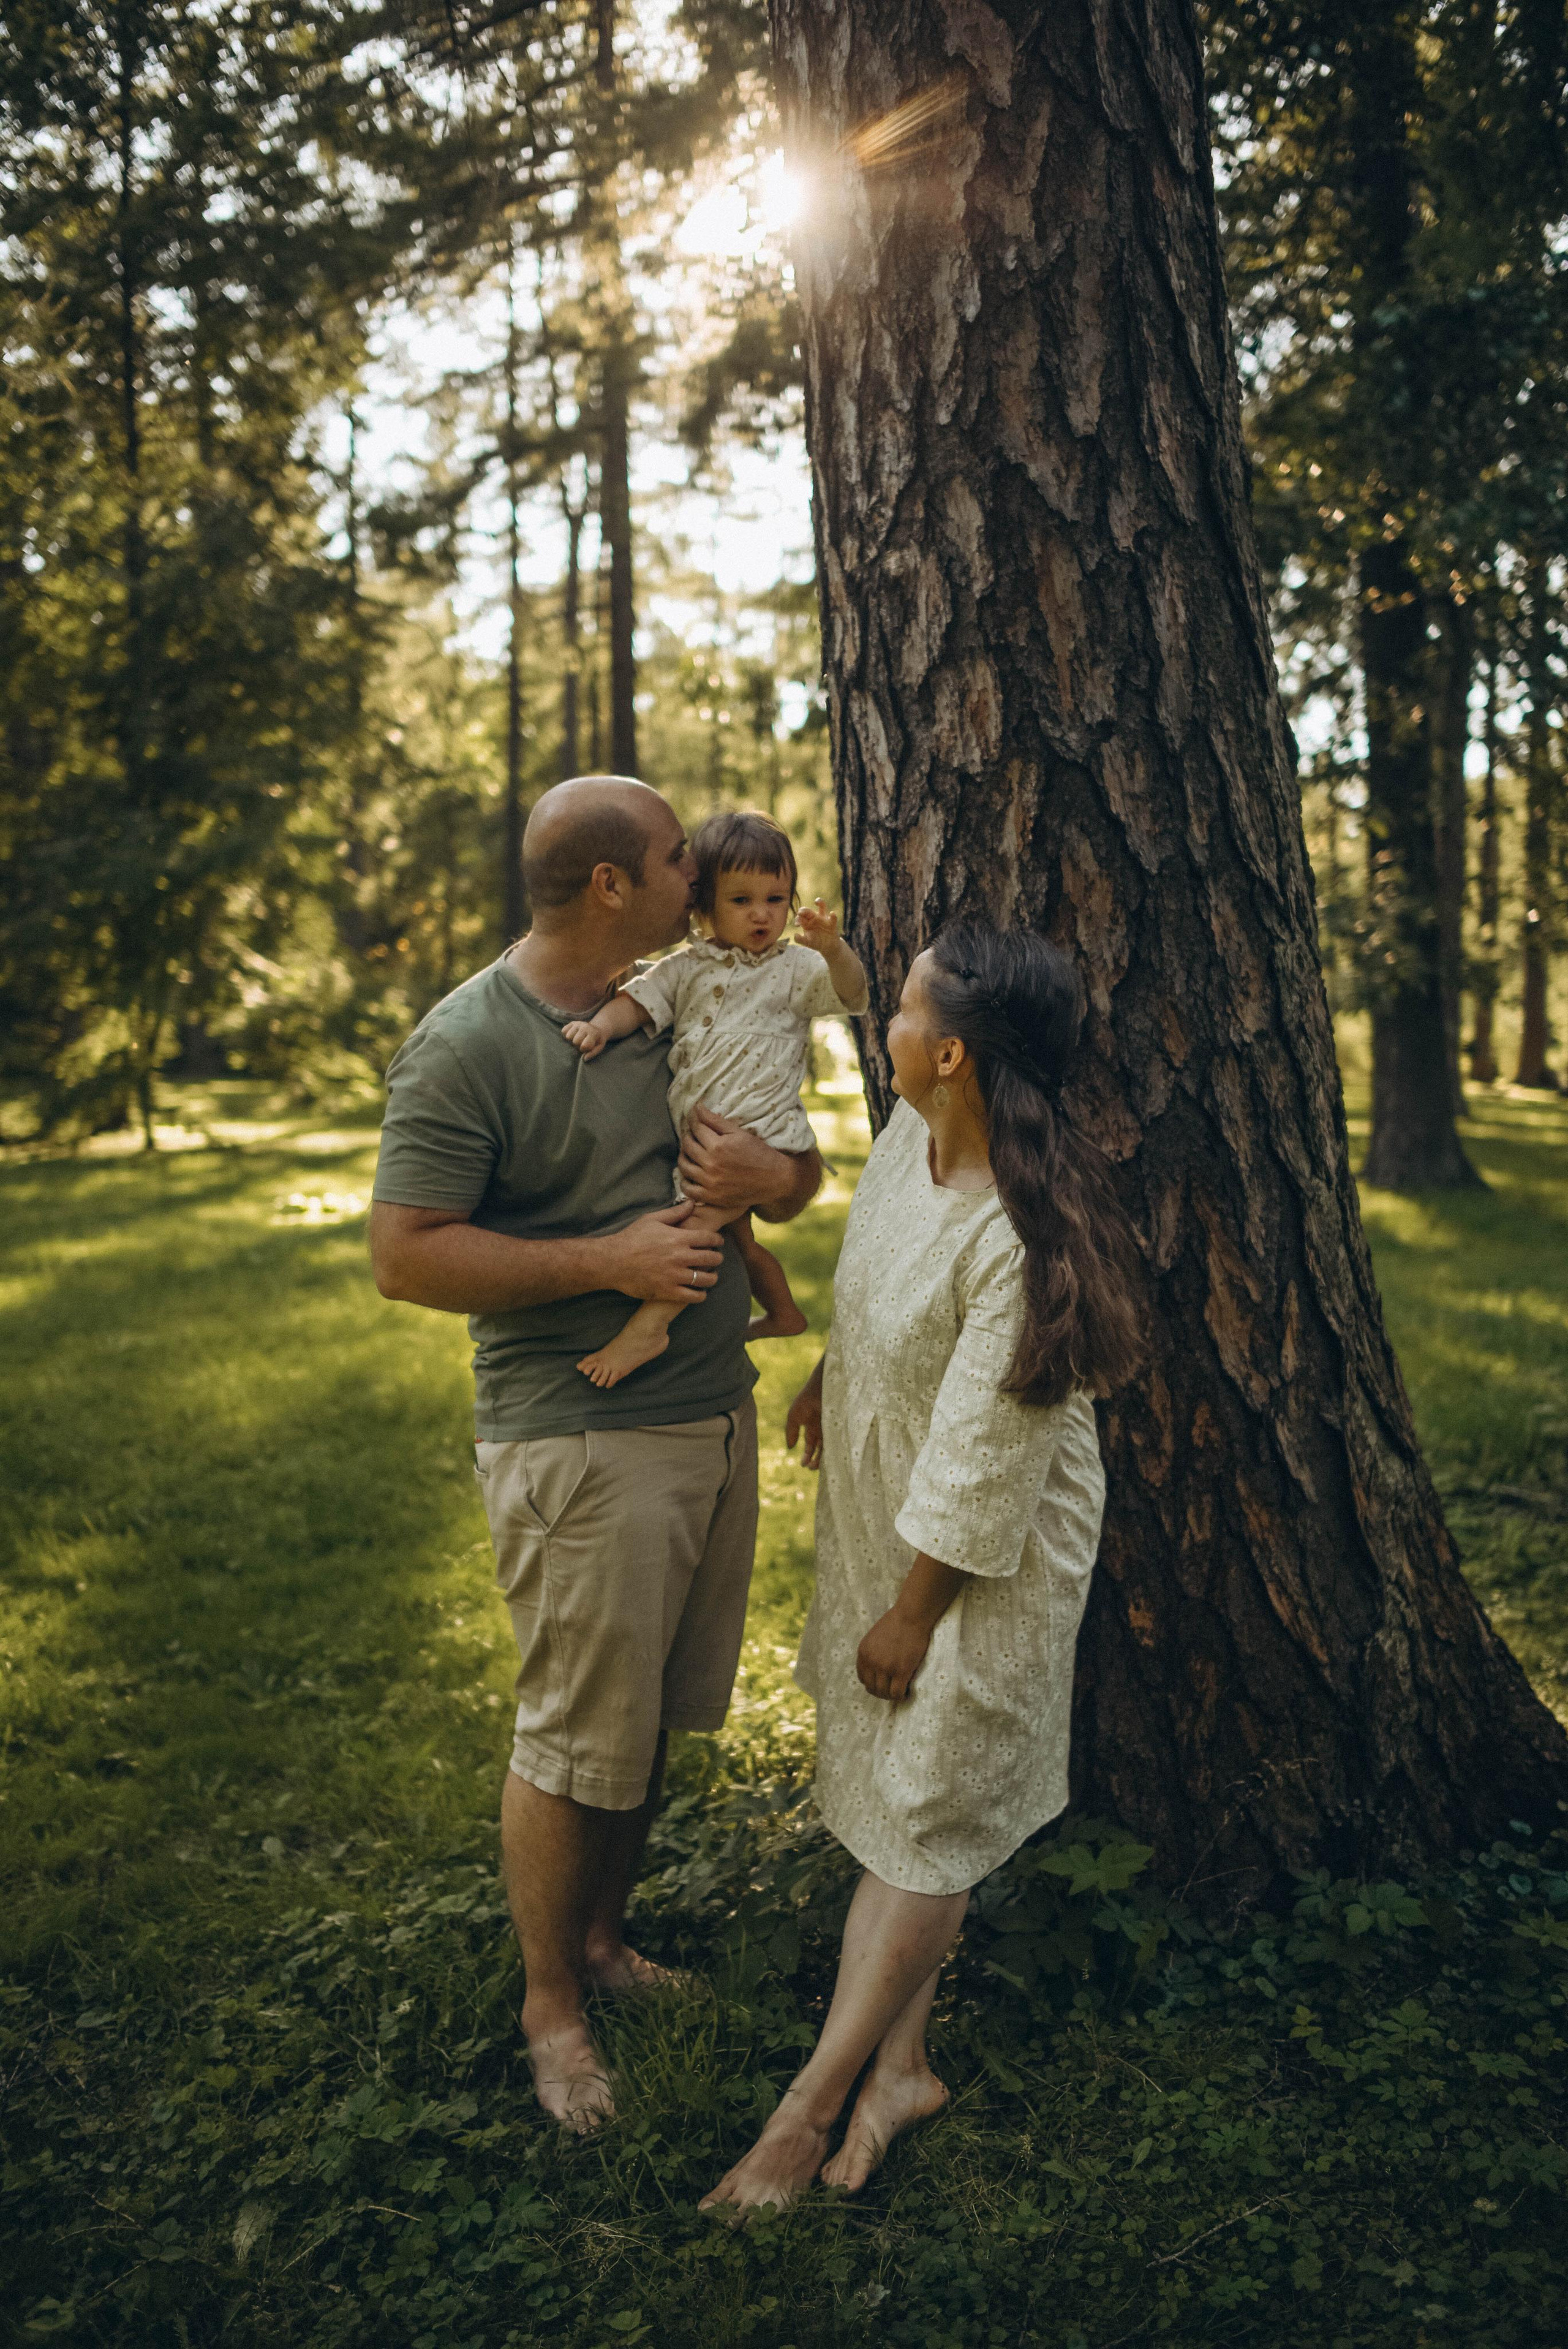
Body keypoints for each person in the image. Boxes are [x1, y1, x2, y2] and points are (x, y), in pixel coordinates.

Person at [368, 776, 821, 2135]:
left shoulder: (691, 987)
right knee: (574, 1735)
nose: (707, 870)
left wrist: (775, 1187)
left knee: (646, 1723)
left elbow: (785, 1166)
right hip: (578, 1436)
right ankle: (550, 2008)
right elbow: (404, 1254)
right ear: (613, 883)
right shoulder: (467, 1044)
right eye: (682, 856)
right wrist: (606, 1259)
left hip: (708, 1409)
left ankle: (608, 1946)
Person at [700, 920, 1144, 2218]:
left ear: (945, 1055)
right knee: (915, 1802)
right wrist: (842, 1368)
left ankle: (805, 2112)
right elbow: (885, 1281)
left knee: (929, 1821)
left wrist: (911, 1612)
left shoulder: (1016, 1233)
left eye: (892, 1011)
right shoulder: (914, 1141)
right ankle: (901, 2069)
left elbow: (984, 1463)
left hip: (977, 1557)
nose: (878, 1027)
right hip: (894, 1513)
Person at [563, 808, 869, 1390]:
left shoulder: (797, 967)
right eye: (742, 900)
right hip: (708, 1131)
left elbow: (854, 995)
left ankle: (651, 1325)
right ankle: (784, 1313)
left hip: (762, 1127)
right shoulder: (687, 967)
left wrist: (833, 949)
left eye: (776, 899)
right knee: (739, 1238)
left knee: (694, 1226)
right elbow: (638, 1002)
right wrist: (601, 1027)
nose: (762, 914)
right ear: (702, 907)